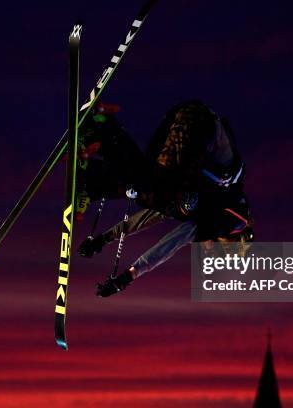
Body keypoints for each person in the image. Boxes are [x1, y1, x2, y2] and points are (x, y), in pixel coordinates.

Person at [77, 100, 254, 297]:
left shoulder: (216, 204)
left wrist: (104, 239)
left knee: (148, 184)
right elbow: (171, 243)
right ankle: (92, 177)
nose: (205, 249)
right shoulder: (226, 221)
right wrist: (127, 277)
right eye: (211, 252)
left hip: (186, 118)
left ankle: (102, 128)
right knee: (156, 192)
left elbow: (153, 214)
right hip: (201, 129)